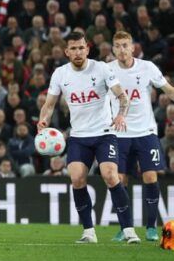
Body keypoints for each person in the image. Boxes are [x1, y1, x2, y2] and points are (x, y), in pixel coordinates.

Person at [38, 31, 139, 244]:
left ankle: (129, 231)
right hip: (79, 136)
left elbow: (123, 97)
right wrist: (43, 121)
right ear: (66, 52)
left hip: (104, 134)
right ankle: (88, 232)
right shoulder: (60, 74)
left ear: (87, 49)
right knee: (76, 178)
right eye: (73, 48)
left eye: (81, 47)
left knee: (111, 176)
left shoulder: (101, 68)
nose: (78, 52)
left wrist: (121, 114)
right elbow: (49, 104)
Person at [108, 31, 174, 242]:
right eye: (117, 46)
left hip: (146, 132)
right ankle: (124, 228)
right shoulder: (107, 70)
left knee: (151, 177)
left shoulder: (147, 67)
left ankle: (151, 227)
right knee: (120, 180)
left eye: (125, 45)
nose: (122, 50)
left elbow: (168, 90)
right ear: (113, 48)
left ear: (133, 47)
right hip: (119, 134)